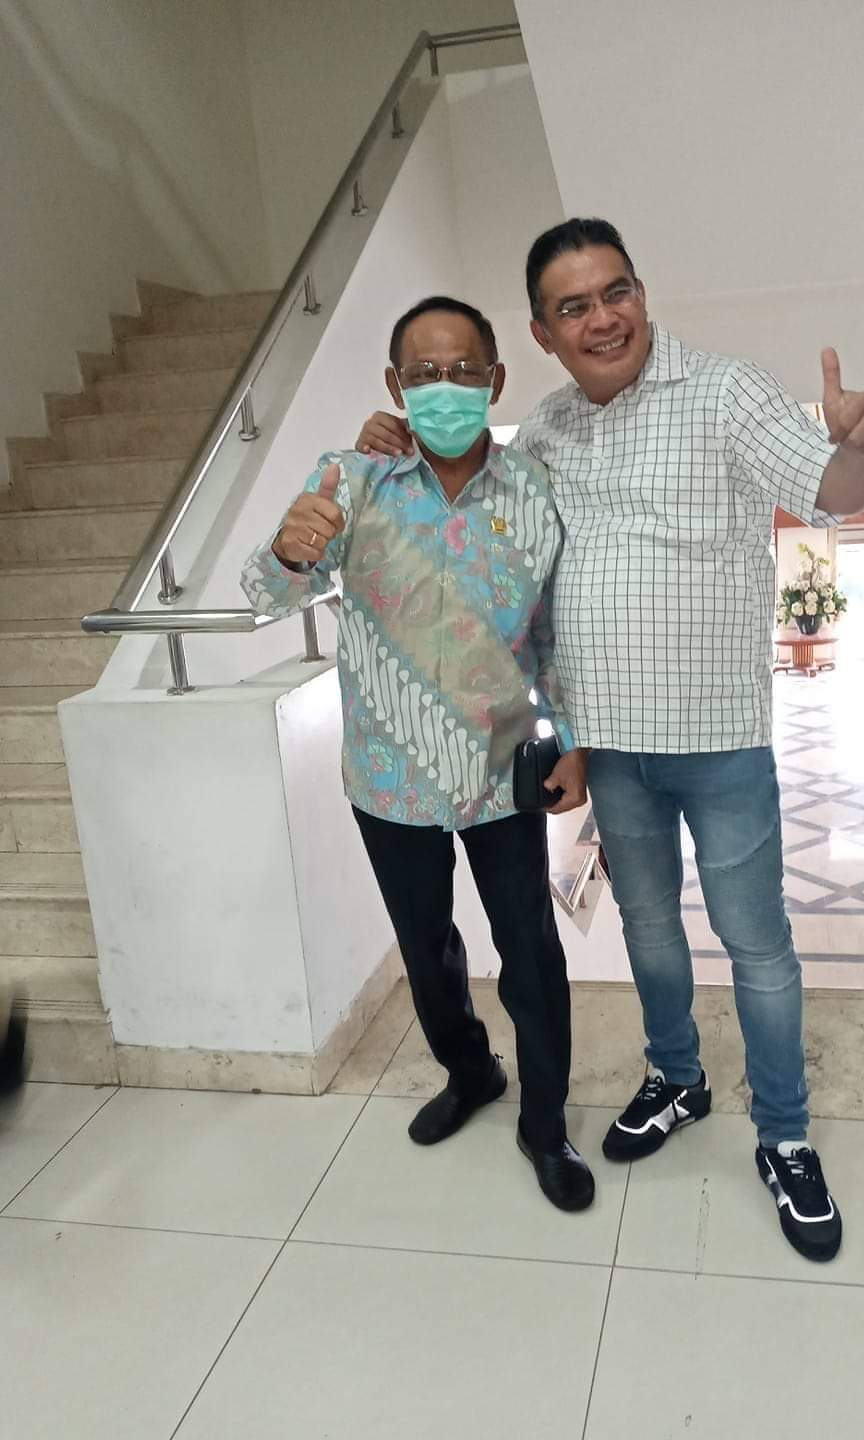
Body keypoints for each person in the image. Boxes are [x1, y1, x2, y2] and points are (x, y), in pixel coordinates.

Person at [356, 219, 864, 1263]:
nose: (602, 317)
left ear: (641, 295)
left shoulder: (726, 393)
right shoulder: (545, 433)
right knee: (649, 931)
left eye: (616, 292)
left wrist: (862, 455)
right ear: (543, 334)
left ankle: (785, 1135)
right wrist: (389, 443)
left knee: (756, 945)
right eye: (574, 307)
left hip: (720, 741)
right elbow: (498, 545)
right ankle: (677, 1079)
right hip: (610, 748)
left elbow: (834, 492)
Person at [241, 296, 595, 1212]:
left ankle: (545, 1123)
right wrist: (287, 552)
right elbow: (267, 595)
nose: (446, 387)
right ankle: (470, 1072)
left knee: (531, 953)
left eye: (464, 370)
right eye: (425, 373)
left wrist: (575, 744)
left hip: (502, 772)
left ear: (496, 380)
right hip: (389, 779)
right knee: (427, 948)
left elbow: (551, 637)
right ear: (396, 384)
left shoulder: (533, 491)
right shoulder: (353, 479)